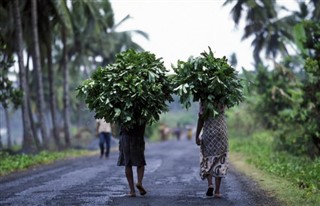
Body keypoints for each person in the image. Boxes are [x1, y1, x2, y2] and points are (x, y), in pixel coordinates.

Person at [195, 101, 228, 198]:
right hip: (221, 132)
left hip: (208, 133)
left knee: (207, 158)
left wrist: (197, 136)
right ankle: (217, 191)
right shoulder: (223, 99)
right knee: (219, 160)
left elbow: (201, 119)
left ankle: (210, 184)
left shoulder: (204, 101)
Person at [117, 123, 147, 197]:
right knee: (140, 161)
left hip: (125, 136)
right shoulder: (141, 112)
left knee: (128, 163)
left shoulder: (122, 113)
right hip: (138, 135)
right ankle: (139, 182)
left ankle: (132, 191)